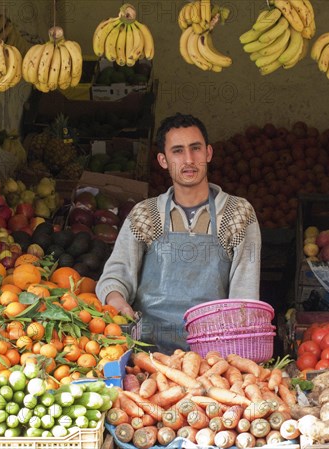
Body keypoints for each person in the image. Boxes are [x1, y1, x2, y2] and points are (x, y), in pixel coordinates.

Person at [96, 113, 262, 353]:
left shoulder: (238, 214)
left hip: (214, 355)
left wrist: (231, 356)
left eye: (195, 148)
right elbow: (116, 274)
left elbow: (244, 295)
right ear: (163, 160)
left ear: (208, 153)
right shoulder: (144, 214)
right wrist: (118, 303)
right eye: (177, 151)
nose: (188, 159)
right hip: (147, 354)